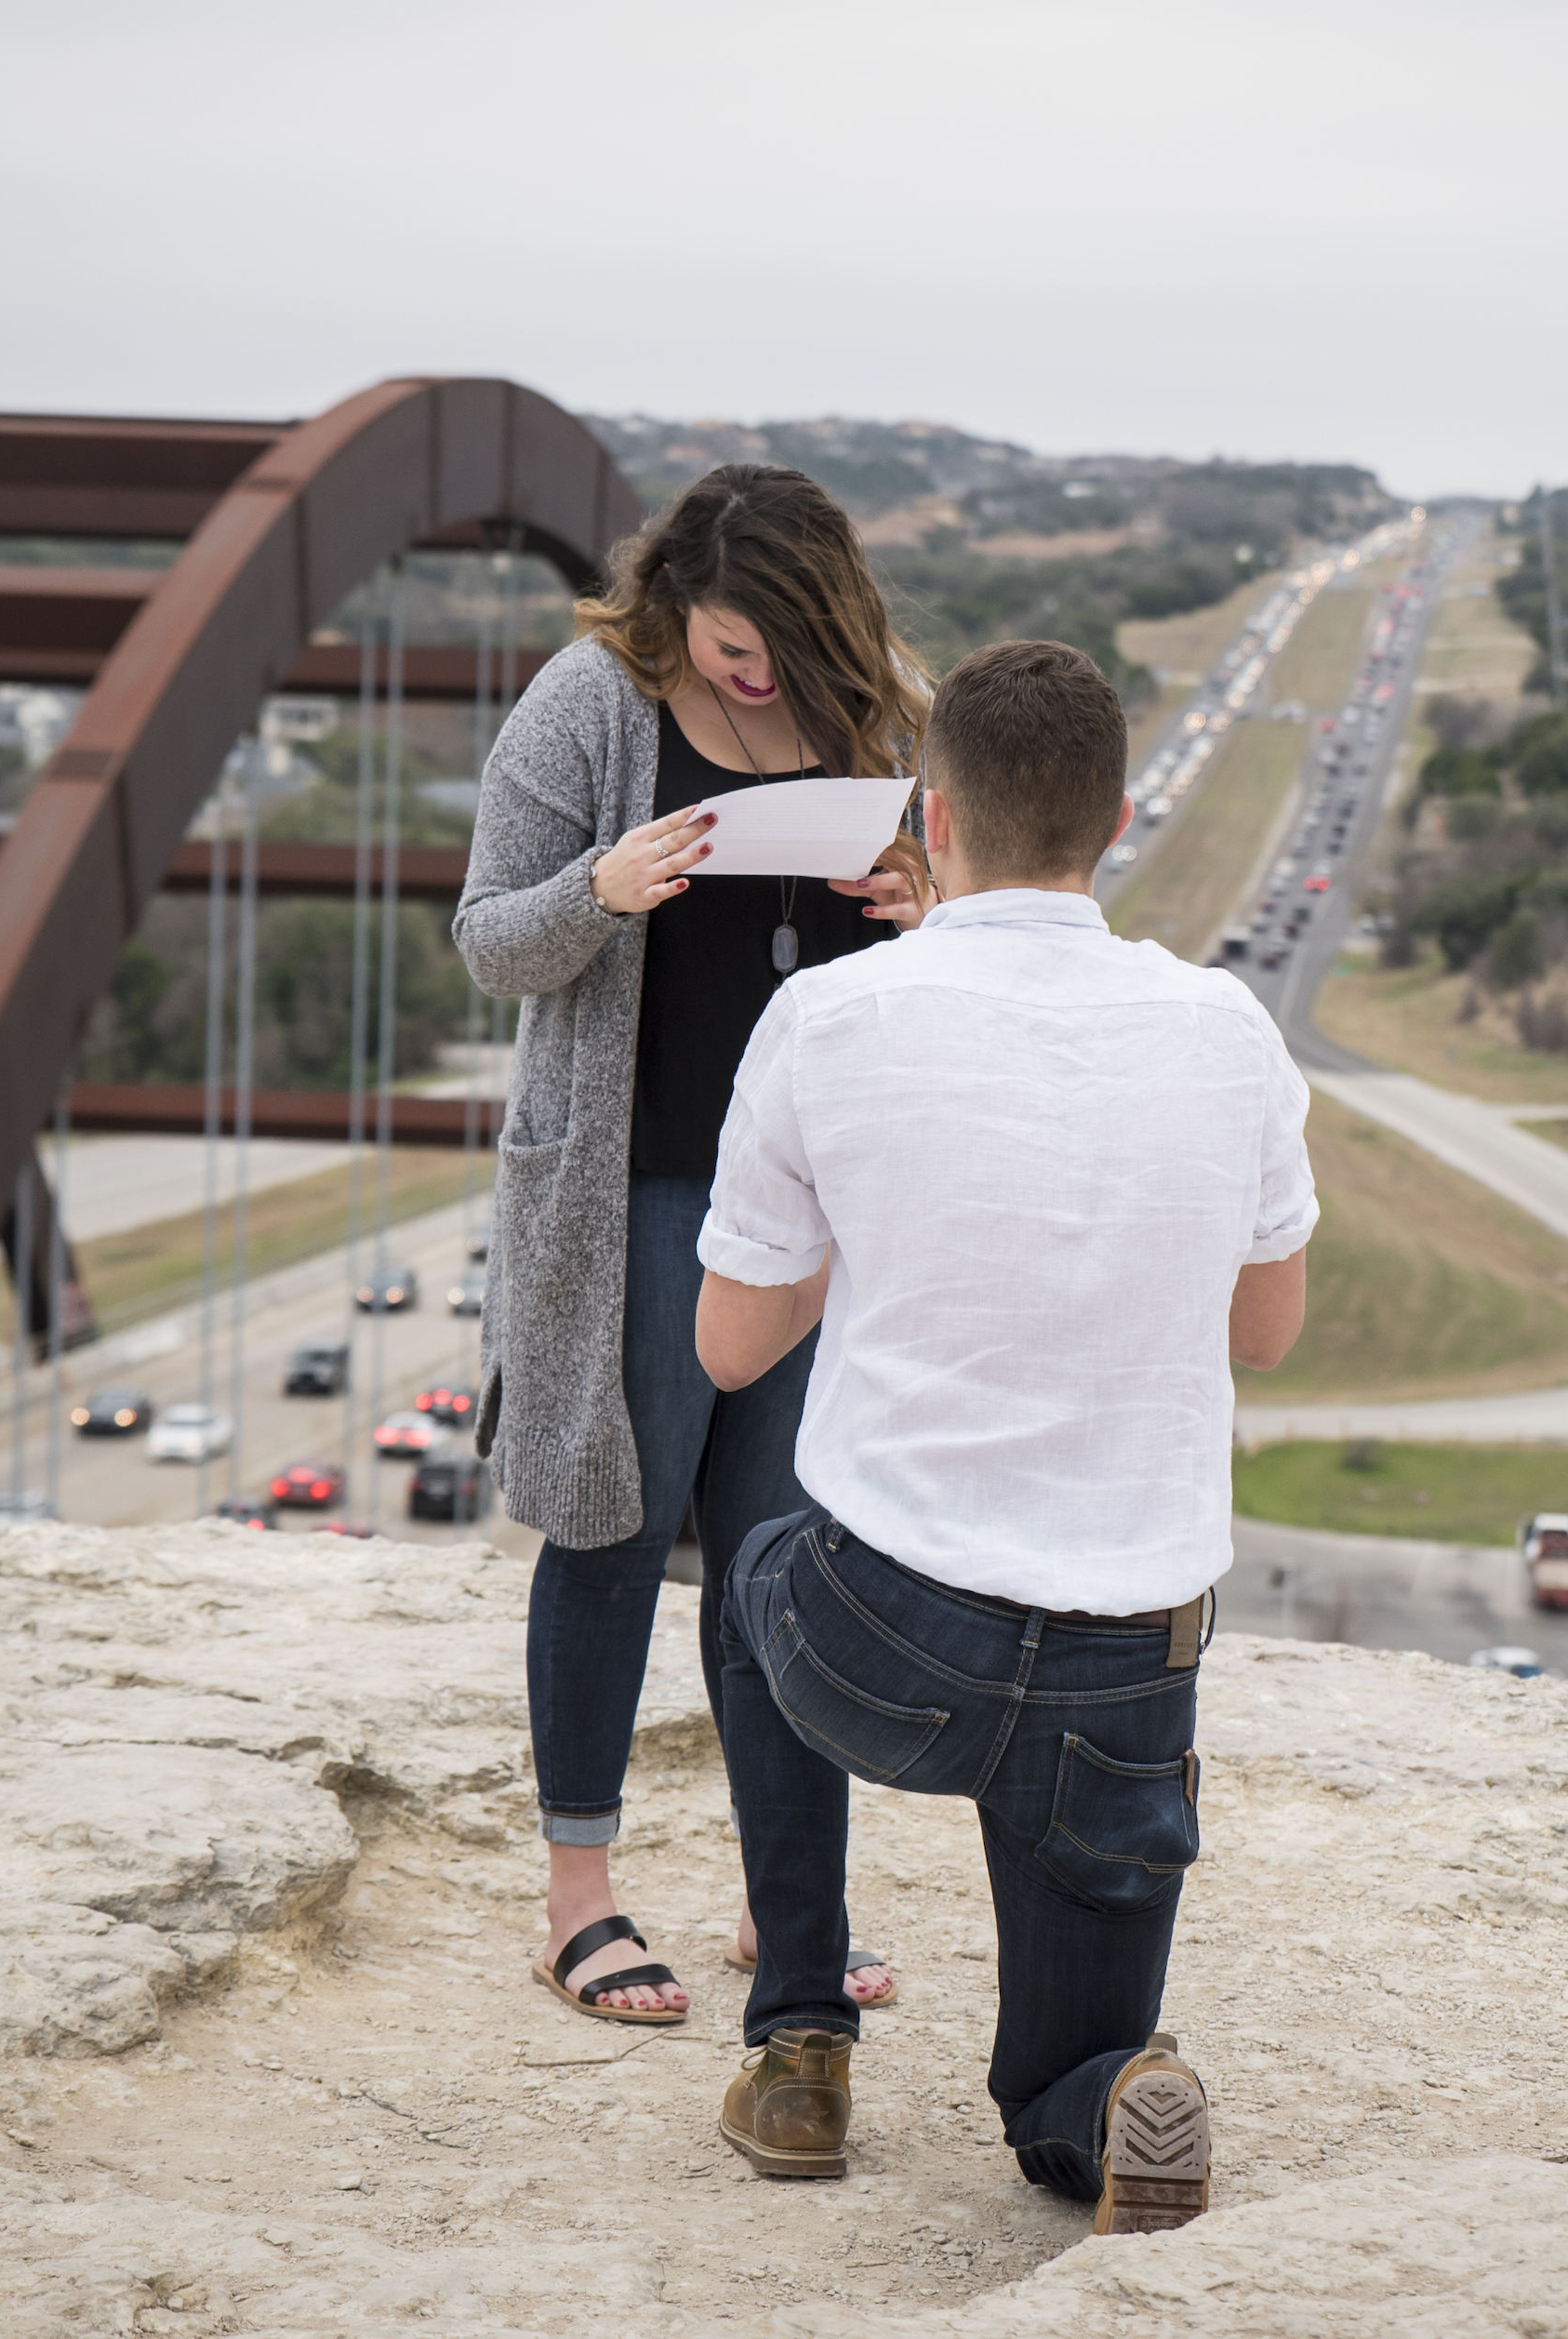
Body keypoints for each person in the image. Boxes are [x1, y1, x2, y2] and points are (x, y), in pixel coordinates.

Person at [688, 637, 1316, 2230]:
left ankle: (803, 2047)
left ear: (935, 812)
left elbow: (731, 1342)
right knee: (1064, 2075)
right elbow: (1266, 1332)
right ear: (1113, 822)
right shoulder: (1230, 1027)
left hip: (882, 1643)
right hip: (1126, 1660)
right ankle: (1107, 2100)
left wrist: (876, 1226)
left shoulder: (832, 1019)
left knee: (752, 1572)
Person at [451, 463, 930, 2026]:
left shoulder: (874, 712)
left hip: (814, 1207)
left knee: (786, 1557)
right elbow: (486, 942)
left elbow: (998, 921)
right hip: (637, 1195)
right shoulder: (588, 707)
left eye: (791, 645)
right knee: (610, 1529)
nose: (762, 675)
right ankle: (578, 1899)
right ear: (676, 603)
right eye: (737, 642)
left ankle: (787, 1912)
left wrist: (929, 906)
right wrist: (601, 888)